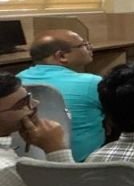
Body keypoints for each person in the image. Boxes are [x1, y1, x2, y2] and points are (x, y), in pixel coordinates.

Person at [17, 30, 105, 160]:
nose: (90, 47)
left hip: (29, 161)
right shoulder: (91, 82)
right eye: (83, 45)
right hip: (83, 163)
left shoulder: (17, 80)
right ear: (62, 56)